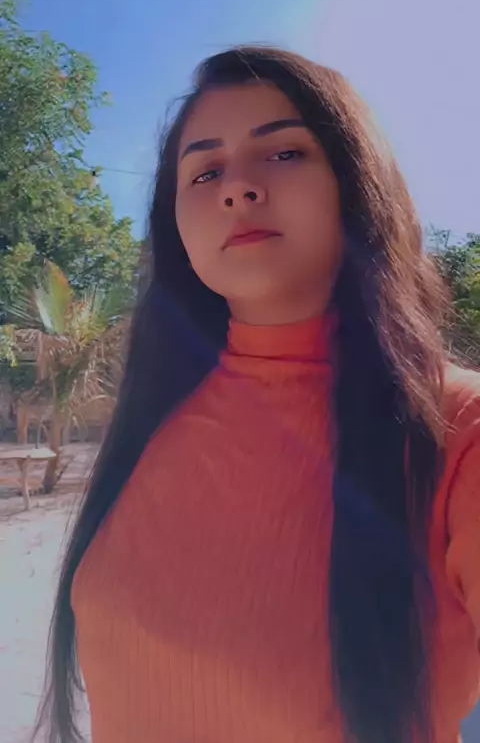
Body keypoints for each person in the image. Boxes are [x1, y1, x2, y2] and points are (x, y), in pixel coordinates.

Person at [35, 46, 480, 743]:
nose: (237, 188)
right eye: (205, 171)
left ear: (359, 182)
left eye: (284, 153)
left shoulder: (460, 431)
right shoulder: (154, 417)